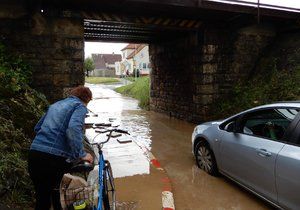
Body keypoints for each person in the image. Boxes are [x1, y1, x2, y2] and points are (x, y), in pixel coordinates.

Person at [28, 86, 94, 210]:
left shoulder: (55, 105)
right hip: (52, 159)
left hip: (34, 154)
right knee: (58, 197)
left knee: (42, 199)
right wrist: (82, 154)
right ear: (87, 99)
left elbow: (37, 128)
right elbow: (73, 129)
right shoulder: (79, 106)